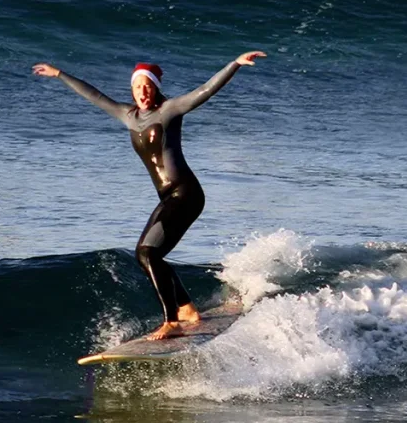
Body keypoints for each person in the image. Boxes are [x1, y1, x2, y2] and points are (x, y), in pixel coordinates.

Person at [32, 51, 266, 339]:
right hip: (169, 197)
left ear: (155, 88)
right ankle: (187, 310)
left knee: (148, 252)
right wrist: (59, 74)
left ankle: (172, 321)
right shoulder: (127, 115)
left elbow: (205, 90)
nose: (142, 92)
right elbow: (94, 95)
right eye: (137, 87)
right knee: (147, 256)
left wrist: (234, 64)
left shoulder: (169, 110)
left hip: (186, 193)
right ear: (132, 90)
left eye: (147, 86)